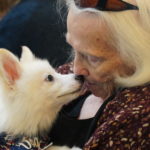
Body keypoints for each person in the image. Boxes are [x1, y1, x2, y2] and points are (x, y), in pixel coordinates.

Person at [57, 0, 149, 149]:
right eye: (73, 49)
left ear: (139, 54)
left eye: (94, 58)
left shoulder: (139, 119)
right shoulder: (70, 71)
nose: (76, 69)